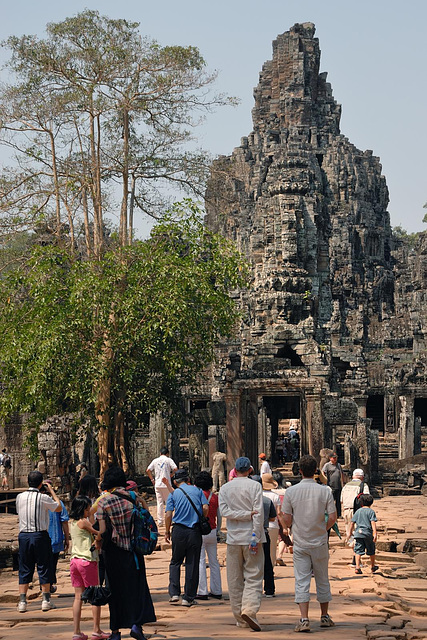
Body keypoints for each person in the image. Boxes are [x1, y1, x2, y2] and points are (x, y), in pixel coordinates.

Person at [96, 466, 156, 640]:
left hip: (113, 553)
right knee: (136, 589)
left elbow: (102, 531)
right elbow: (145, 518)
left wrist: (96, 542)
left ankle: (115, 632)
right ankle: (137, 626)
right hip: (134, 551)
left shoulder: (103, 502)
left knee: (114, 591)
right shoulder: (134, 498)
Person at [282, 455, 337, 633]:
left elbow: (287, 519)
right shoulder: (325, 491)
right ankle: (325, 616)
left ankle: (304, 619)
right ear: (316, 471)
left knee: (302, 579)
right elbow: (333, 517)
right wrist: (322, 528)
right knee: (322, 578)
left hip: (300, 541)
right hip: (320, 540)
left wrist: (292, 527)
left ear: (299, 471)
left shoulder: (291, 492)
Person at [219, 456, 265, 631]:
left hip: (233, 538)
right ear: (250, 470)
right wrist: (256, 534)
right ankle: (250, 609)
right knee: (253, 576)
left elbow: (224, 511)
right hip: (251, 536)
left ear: (234, 470)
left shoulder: (225, 488)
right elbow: (258, 514)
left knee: (234, 579)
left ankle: (240, 617)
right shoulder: (255, 486)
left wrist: (241, 514)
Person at [16, 470, 62, 613]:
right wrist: (52, 492)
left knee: (24, 567)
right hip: (40, 535)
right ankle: (46, 600)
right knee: (44, 566)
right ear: (41, 483)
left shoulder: (19, 497)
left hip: (24, 536)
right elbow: (58, 507)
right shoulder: (43, 498)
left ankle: (23, 601)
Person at [164, 468, 208, 606]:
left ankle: (174, 593)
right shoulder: (198, 491)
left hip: (178, 530)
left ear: (175, 482)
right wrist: (201, 517)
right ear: (188, 479)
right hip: (194, 531)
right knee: (192, 563)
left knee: (175, 561)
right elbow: (205, 507)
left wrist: (167, 531)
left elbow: (168, 515)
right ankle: (188, 597)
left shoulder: (173, 494)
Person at [69, 495, 109, 640]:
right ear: (82, 510)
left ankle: (76, 632)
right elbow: (99, 533)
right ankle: (96, 630)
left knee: (78, 597)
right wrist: (99, 537)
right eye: (87, 509)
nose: (88, 511)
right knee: (95, 596)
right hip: (87, 561)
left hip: (74, 561)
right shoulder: (83, 522)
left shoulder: (72, 522)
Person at [194, 470, 222, 600]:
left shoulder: (196, 496)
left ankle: (202, 590)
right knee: (214, 561)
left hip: (199, 531)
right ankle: (217, 590)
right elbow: (219, 516)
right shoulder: (215, 497)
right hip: (212, 530)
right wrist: (218, 530)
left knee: (200, 560)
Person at [251, 475, 276, 598]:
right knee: (266, 561)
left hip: (249, 534)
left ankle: (251, 588)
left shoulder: (247, 501)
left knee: (250, 562)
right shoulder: (266, 501)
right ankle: (269, 589)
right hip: (264, 533)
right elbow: (272, 518)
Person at [46, 481, 70, 594]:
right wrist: (67, 538)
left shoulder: (38, 502)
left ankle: (47, 585)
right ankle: (49, 584)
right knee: (52, 563)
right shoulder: (57, 503)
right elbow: (64, 521)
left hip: (42, 538)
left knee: (43, 563)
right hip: (54, 538)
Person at [146, 447, 177, 527]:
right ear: (167, 454)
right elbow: (175, 468)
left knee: (159, 503)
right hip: (166, 484)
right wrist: (172, 474)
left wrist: (152, 480)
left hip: (158, 484)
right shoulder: (168, 460)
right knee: (168, 502)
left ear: (160, 453)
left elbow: (148, 470)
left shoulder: (155, 460)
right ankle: (169, 519)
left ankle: (160, 521)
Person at [349, 494, 378, 575]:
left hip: (358, 534)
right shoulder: (371, 511)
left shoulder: (358, 511)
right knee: (371, 550)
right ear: (371, 502)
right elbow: (373, 522)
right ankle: (372, 566)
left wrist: (350, 532)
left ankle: (357, 567)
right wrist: (375, 533)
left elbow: (352, 523)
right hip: (368, 533)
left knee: (358, 550)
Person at [341, 469, 370, 542]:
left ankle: (352, 548)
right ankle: (357, 549)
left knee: (349, 530)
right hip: (358, 511)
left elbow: (341, 500)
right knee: (359, 531)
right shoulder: (363, 485)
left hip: (347, 510)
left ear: (353, 477)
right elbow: (367, 499)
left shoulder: (346, 486)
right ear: (362, 477)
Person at [261, 473, 283, 568]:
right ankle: (271, 569)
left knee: (261, 549)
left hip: (261, 525)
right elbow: (279, 513)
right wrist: (284, 526)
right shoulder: (275, 496)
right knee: (272, 549)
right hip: (273, 526)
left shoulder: (258, 495)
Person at [322, 452, 344, 518]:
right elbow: (323, 472)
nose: (335, 459)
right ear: (330, 458)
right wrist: (325, 479)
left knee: (338, 501)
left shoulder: (338, 465)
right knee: (331, 501)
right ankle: (330, 514)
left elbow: (341, 474)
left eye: (336, 458)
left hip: (338, 485)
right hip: (331, 485)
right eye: (334, 458)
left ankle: (339, 514)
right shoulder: (327, 465)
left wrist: (342, 483)